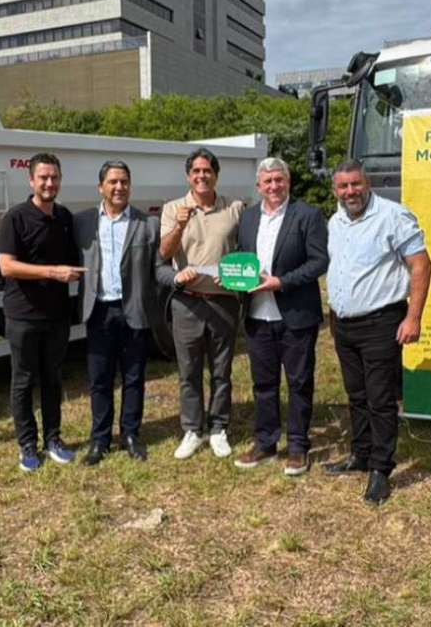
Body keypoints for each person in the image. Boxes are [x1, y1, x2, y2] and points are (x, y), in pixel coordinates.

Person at [323, 159, 431, 504]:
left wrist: (413, 317)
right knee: (356, 394)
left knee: (380, 398)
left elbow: (421, 264)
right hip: (344, 324)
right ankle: (361, 454)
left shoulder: (393, 215)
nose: (350, 192)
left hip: (381, 322)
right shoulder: (335, 221)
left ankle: (381, 471)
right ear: (335, 190)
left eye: (355, 184)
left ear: (366, 183)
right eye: (343, 186)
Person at [233, 157, 328, 476]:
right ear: (258, 186)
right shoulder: (247, 218)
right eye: (268, 181)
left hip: (296, 315)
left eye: (279, 180)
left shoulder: (308, 215)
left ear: (288, 183)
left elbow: (319, 262)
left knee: (299, 382)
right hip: (258, 315)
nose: (274, 186)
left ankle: (299, 446)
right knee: (263, 383)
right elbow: (240, 260)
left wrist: (281, 282)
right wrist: (233, 279)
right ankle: (266, 442)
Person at [0, 152, 85, 472]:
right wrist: (53, 273)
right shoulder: (16, 217)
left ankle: (53, 440)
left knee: (53, 379)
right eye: (43, 177)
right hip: (23, 316)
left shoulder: (63, 217)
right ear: (31, 180)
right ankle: (27, 446)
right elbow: (6, 266)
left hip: (57, 316)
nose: (50, 183)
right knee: (23, 381)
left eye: (55, 177)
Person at [159, 147, 245, 459]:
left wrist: (235, 278)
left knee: (221, 370)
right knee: (189, 370)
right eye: (196, 171)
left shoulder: (234, 208)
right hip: (187, 302)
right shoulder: (172, 209)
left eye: (207, 170)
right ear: (188, 176)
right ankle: (193, 429)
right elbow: (165, 253)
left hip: (224, 301)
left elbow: (247, 253)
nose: (201, 176)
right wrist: (180, 225)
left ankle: (219, 427)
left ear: (216, 174)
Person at [74, 161, 161, 465]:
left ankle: (130, 435)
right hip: (99, 310)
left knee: (134, 376)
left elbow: (158, 268)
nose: (119, 187)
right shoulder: (82, 222)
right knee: (100, 378)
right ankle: (100, 440)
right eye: (112, 182)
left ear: (130, 186)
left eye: (124, 181)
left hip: (133, 309)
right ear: (101, 187)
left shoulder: (147, 223)